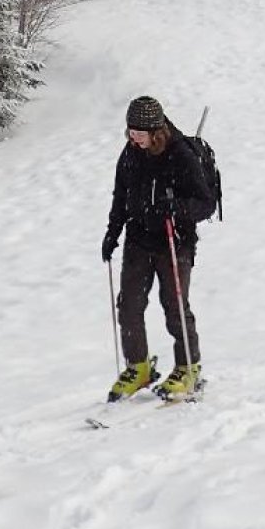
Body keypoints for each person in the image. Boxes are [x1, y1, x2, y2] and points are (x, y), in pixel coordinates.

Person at [100, 96, 218, 401]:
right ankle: (138, 367)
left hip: (173, 241)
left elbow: (206, 203)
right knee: (129, 305)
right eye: (130, 131)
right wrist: (112, 233)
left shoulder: (180, 155)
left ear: (156, 131)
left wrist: (176, 207)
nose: (133, 138)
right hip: (138, 240)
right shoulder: (130, 153)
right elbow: (120, 197)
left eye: (139, 133)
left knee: (174, 306)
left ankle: (188, 367)